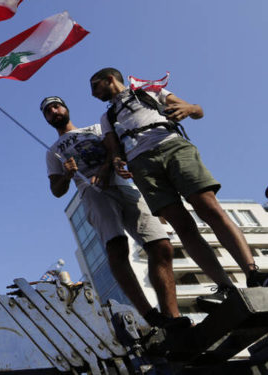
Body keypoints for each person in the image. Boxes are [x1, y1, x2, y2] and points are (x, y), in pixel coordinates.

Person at [89, 67, 268, 311]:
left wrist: (189, 109)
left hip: (172, 146)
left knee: (209, 208)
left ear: (110, 79)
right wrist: (118, 161)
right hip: (142, 166)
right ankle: (225, 288)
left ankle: (253, 272)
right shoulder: (107, 117)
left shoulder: (149, 90)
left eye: (95, 85)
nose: (93, 93)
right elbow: (113, 150)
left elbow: (197, 110)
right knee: (182, 226)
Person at [41, 96, 189, 329]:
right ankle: (150, 315)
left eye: (56, 106)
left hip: (123, 185)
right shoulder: (53, 153)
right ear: (46, 119)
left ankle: (173, 315)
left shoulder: (96, 128)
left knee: (161, 245)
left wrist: (106, 167)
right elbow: (56, 190)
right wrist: (68, 175)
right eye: (48, 111)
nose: (54, 111)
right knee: (117, 247)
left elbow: (116, 149)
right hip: (92, 192)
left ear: (66, 108)